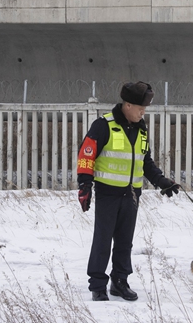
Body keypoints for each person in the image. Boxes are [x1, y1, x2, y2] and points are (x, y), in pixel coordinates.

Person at [76, 81, 181, 302]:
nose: (143, 113)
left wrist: (162, 181)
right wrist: (85, 185)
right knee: (102, 240)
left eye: (145, 109)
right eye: (140, 108)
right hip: (108, 194)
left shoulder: (140, 129)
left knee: (125, 242)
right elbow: (87, 155)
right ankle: (97, 285)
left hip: (132, 195)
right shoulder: (103, 125)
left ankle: (120, 281)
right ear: (127, 105)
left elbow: (146, 162)